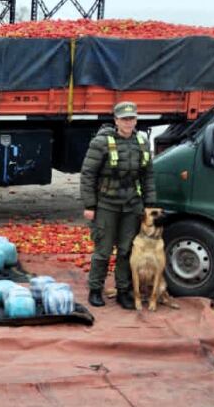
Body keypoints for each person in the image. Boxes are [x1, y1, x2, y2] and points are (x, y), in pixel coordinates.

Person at [80, 101, 155, 309]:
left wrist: (149, 204)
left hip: (131, 206)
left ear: (136, 120)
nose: (128, 123)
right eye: (124, 119)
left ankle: (124, 290)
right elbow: (88, 174)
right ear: (116, 120)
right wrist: (89, 205)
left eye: (131, 118)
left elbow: (147, 176)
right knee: (103, 250)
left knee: (126, 251)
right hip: (106, 205)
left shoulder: (142, 142)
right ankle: (95, 289)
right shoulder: (101, 143)